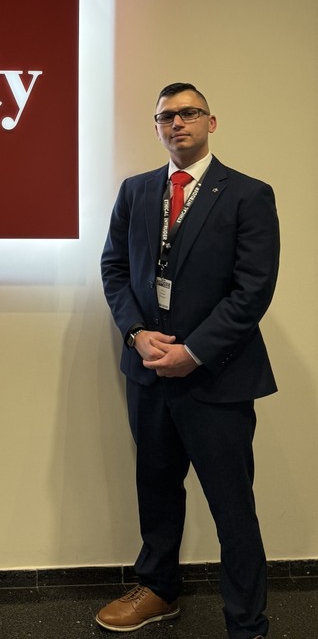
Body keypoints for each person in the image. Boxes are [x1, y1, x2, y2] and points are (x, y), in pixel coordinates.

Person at [96, 83, 279, 639]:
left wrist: (194, 351)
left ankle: (246, 622)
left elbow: (252, 290)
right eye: (166, 116)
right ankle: (158, 589)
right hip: (149, 373)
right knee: (156, 489)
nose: (177, 123)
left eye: (189, 113)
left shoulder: (248, 194)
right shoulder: (135, 191)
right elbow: (114, 269)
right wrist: (136, 335)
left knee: (232, 505)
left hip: (217, 377)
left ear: (211, 122)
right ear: (156, 127)